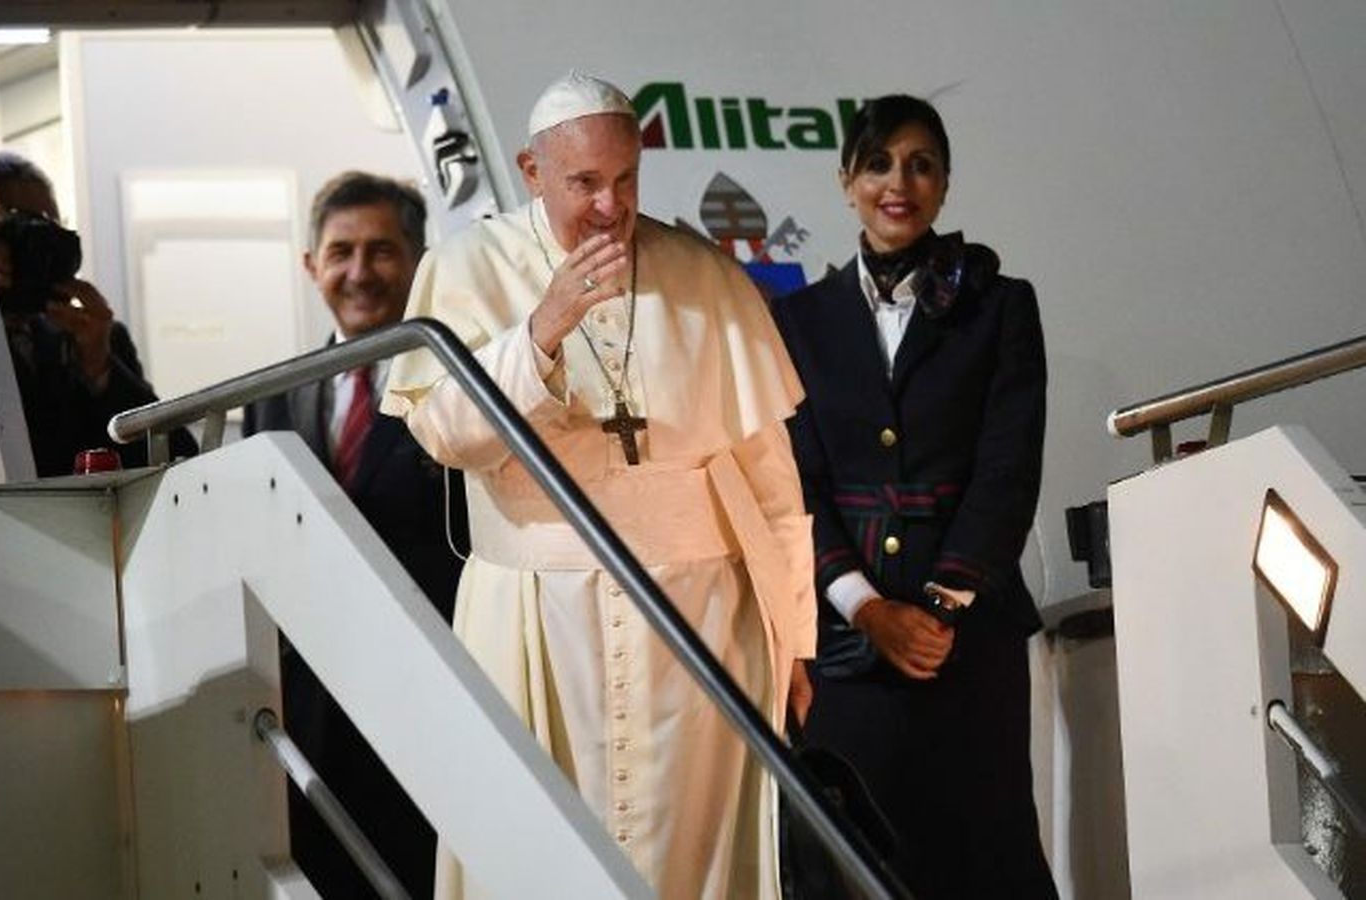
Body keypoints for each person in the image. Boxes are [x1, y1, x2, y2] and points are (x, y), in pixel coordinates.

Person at [384, 72, 815, 900]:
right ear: (531, 170)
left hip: (702, 618)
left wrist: (793, 637)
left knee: (692, 859)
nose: (611, 207)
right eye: (585, 183)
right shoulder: (468, 266)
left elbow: (772, 483)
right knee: (536, 849)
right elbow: (445, 434)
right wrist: (542, 330)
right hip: (533, 617)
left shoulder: (704, 274)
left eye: (626, 180)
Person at [770, 95, 1055, 899]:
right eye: (879, 164)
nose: (901, 182)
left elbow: (1008, 470)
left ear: (945, 185)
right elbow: (797, 481)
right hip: (846, 646)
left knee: (989, 852)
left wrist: (938, 605)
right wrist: (864, 607)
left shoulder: (1001, 307)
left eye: (921, 164)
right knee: (856, 861)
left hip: (968, 640)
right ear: (846, 181)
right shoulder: (797, 320)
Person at [244, 171, 466, 899]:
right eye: (340, 252)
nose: (359, 272)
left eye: (382, 251)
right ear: (311, 265)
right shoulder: (272, 393)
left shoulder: (459, 385)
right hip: (314, 714)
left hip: (431, 695)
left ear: (417, 259)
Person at [0, 152, 194, 476]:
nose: (38, 242)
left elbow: (175, 457)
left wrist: (99, 370)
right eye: (19, 227)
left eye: (48, 225)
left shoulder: (99, 337)